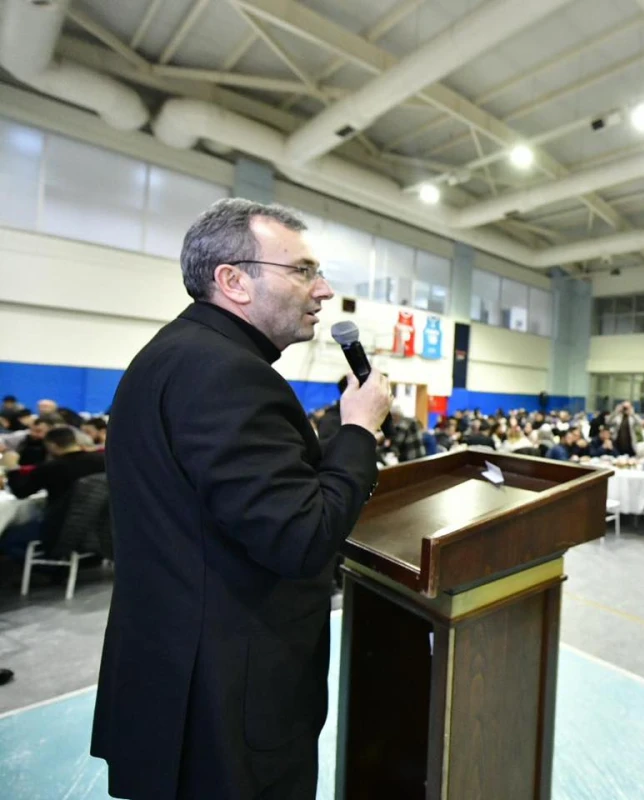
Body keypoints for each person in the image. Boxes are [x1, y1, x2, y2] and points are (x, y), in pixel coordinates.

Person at [91, 198, 392, 799]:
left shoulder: (175, 356)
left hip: (179, 679)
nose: (324, 289)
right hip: (226, 701)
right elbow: (301, 538)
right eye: (302, 270)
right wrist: (358, 432)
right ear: (233, 281)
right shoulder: (228, 374)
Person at [2, 426, 107, 561]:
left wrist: (13, 468)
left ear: (51, 445)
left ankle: (49, 567)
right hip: (100, 525)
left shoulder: (50, 468)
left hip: (61, 527)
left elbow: (21, 492)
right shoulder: (103, 461)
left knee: (7, 538)